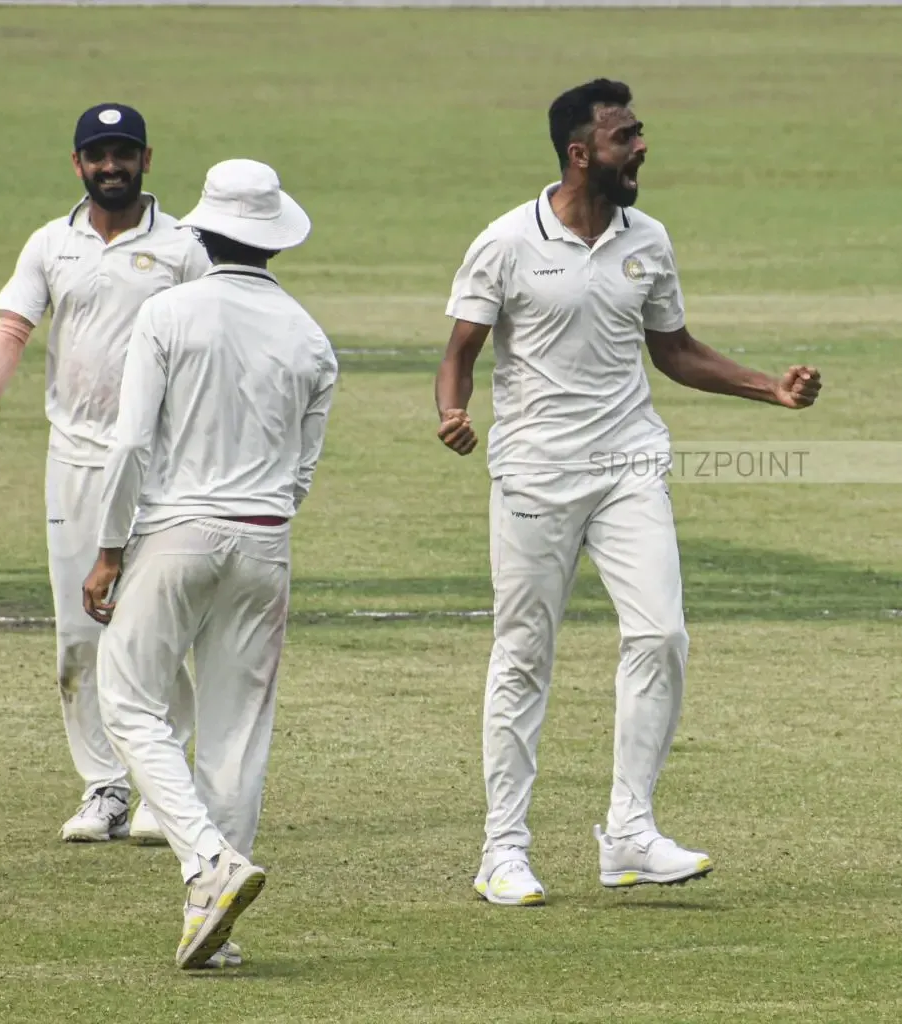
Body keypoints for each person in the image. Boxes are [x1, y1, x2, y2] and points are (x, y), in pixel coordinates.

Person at [434, 79, 821, 906]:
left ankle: (629, 835)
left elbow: (672, 349)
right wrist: (453, 411)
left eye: (639, 133)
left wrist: (768, 390)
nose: (641, 147)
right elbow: (460, 347)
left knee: (661, 635)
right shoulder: (505, 241)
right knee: (524, 657)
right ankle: (501, 849)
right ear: (580, 154)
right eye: (625, 137)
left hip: (628, 467)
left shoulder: (647, 238)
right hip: (535, 475)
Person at [0, 103, 209, 848]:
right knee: (79, 634)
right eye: (96, 155)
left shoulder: (184, 247)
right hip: (75, 459)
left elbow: (215, 339)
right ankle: (105, 787)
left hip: (162, 464)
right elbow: (11, 331)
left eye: (122, 153)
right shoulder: (53, 243)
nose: (109, 166)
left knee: (156, 630)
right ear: (77, 164)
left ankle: (161, 782)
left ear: (147, 159)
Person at [82, 158, 338, 968]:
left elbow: (129, 443)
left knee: (125, 699)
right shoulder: (309, 335)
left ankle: (206, 862)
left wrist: (108, 549)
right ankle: (211, 921)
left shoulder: (169, 311)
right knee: (236, 735)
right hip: (266, 540)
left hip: (176, 531)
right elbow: (301, 472)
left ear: (203, 228)